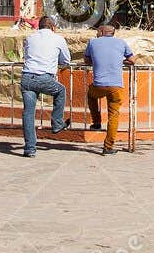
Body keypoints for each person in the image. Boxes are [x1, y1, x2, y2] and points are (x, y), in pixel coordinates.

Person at [21, 16, 72, 157]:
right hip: (44, 77)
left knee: (28, 113)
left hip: (27, 77)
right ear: (53, 27)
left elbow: (26, 54)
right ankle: (56, 123)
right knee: (61, 91)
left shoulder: (30, 38)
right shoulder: (58, 39)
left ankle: (30, 148)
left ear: (38, 26)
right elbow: (66, 60)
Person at [83, 24, 132, 156]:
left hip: (99, 85)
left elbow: (86, 60)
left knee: (90, 94)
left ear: (102, 31)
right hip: (116, 86)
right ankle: (108, 147)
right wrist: (121, 62)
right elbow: (132, 59)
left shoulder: (93, 42)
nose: (96, 33)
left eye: (98, 31)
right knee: (114, 115)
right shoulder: (121, 42)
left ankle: (97, 122)